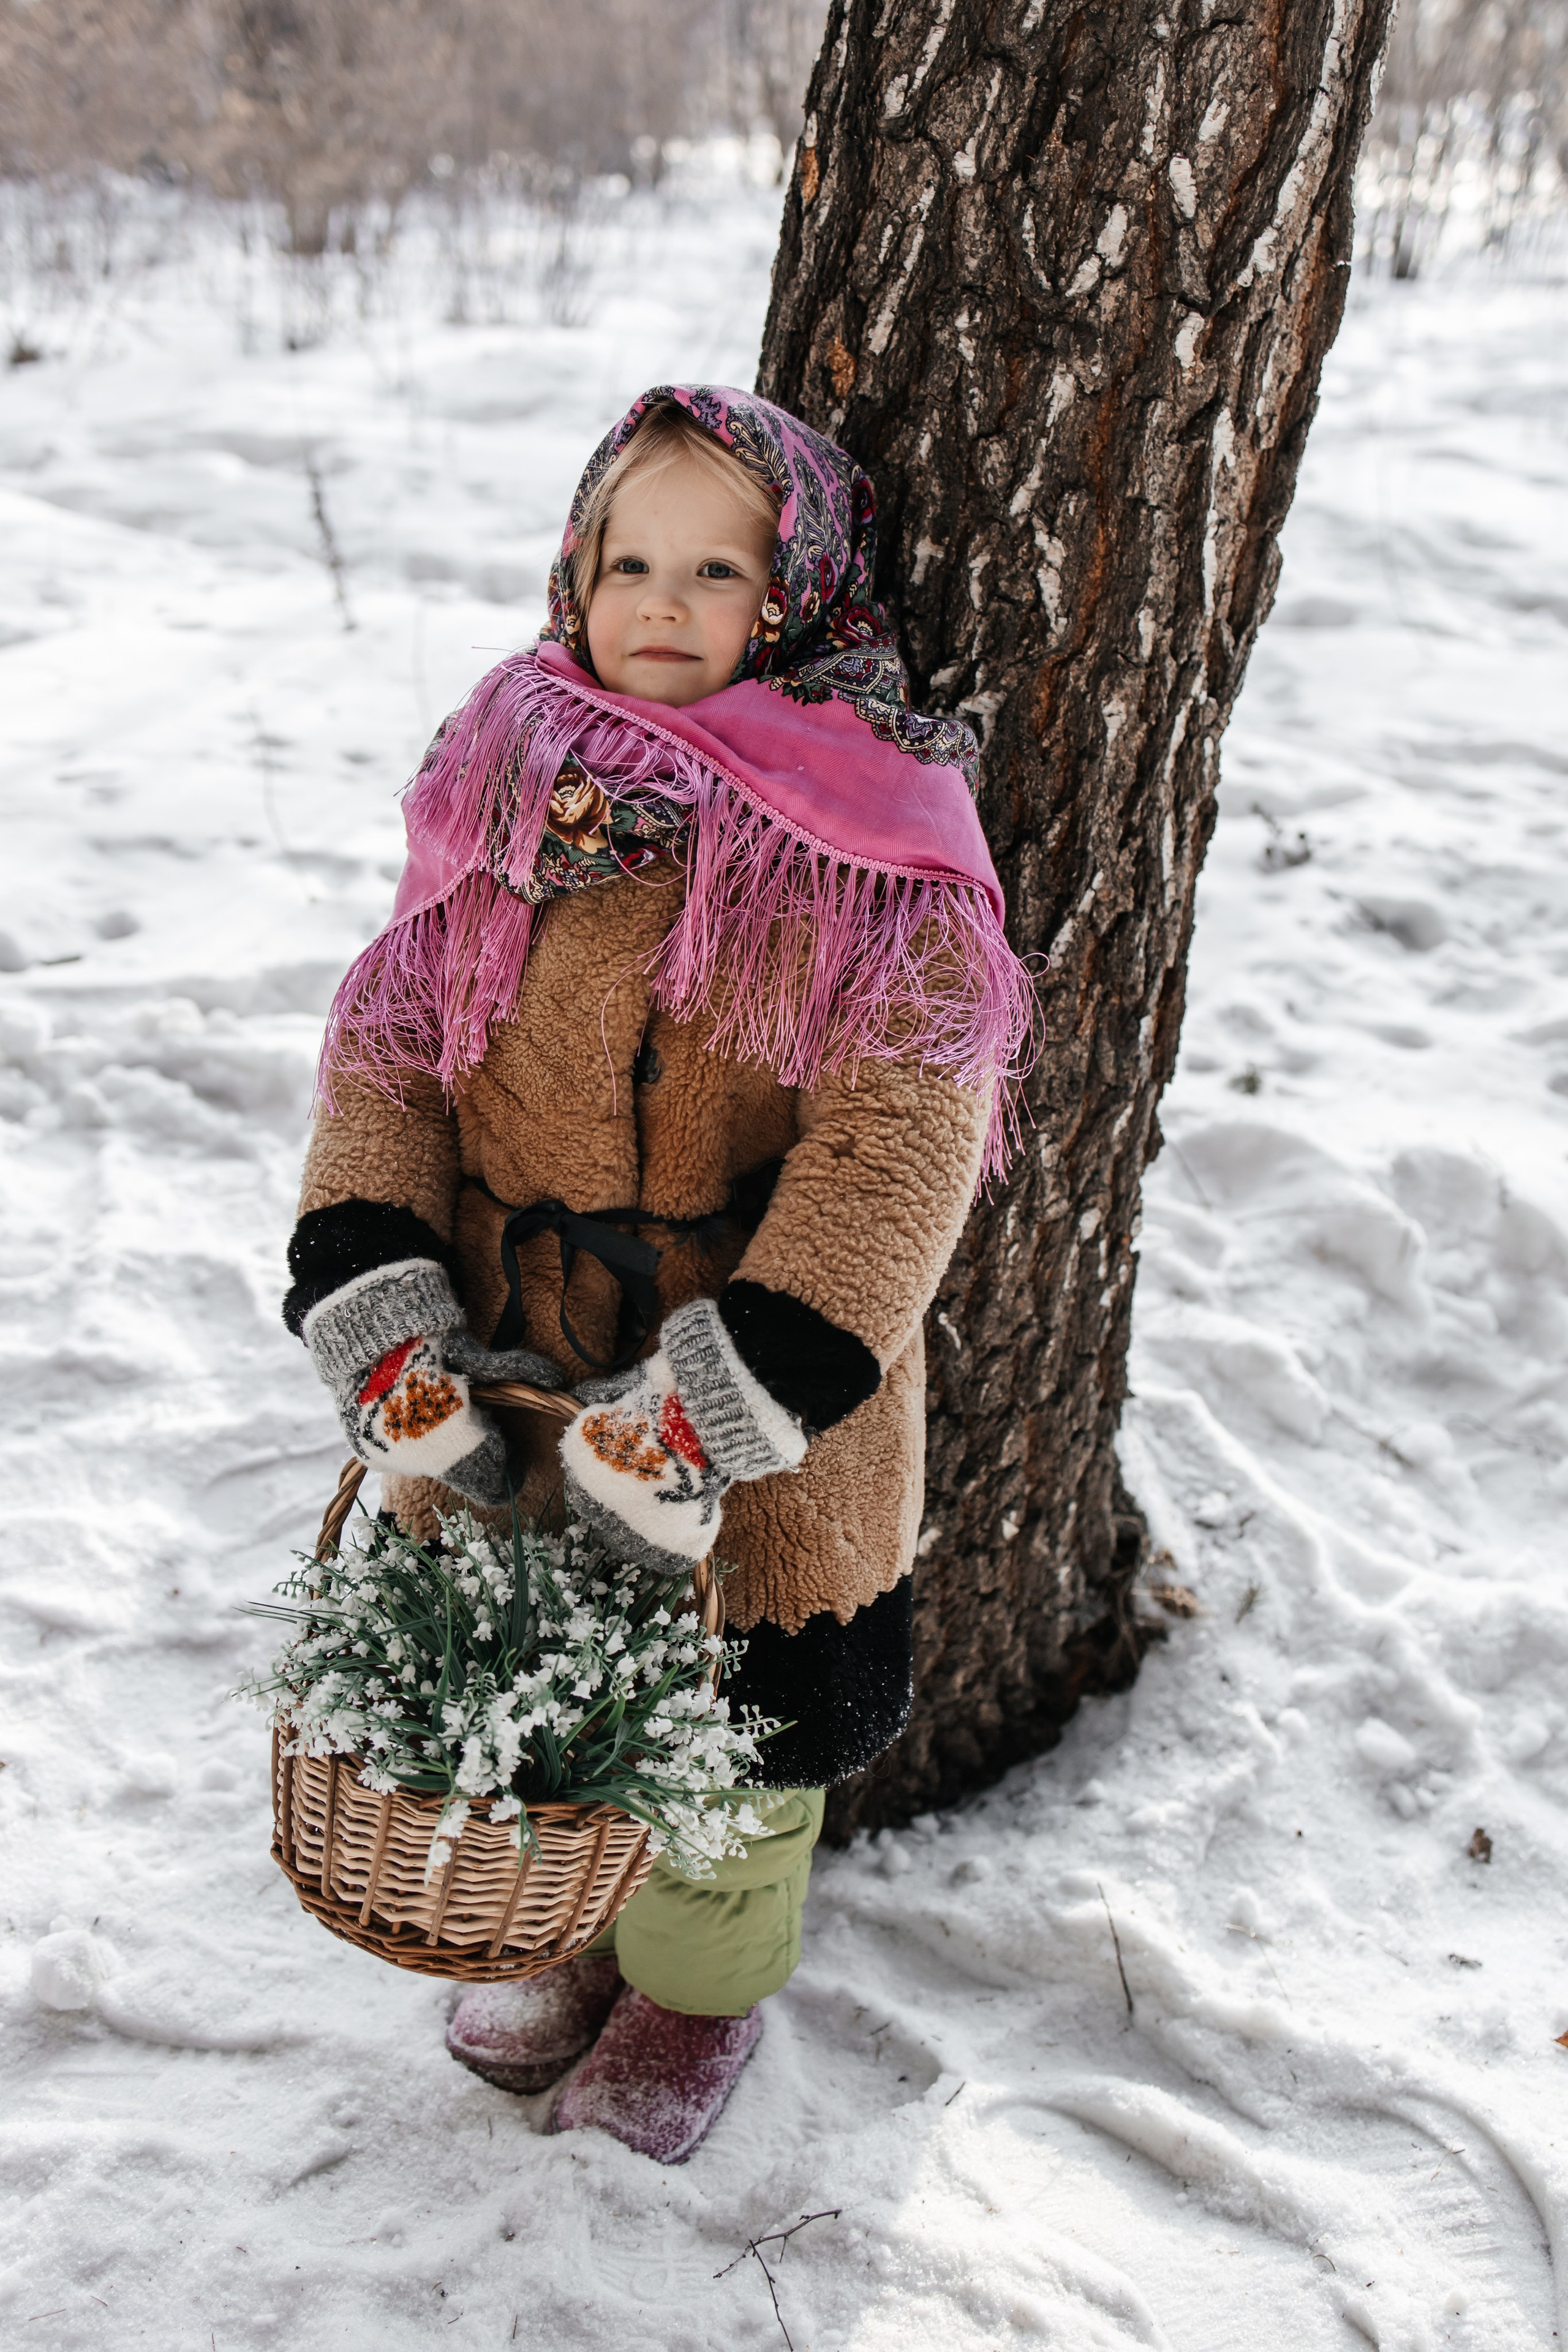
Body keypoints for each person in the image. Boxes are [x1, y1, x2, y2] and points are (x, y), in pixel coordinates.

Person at [281, 385, 1034, 2163]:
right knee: (534, 1693)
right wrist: (383, 1301)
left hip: (760, 1416)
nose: (665, 603)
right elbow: (390, 1063)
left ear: (801, 591)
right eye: (631, 559)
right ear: (574, 572)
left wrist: (716, 1405)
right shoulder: (508, 797)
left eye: (719, 566)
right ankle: (562, 1930)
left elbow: (894, 1149)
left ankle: (696, 1992)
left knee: (732, 1748)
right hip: (510, 1368)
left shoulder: (879, 856)